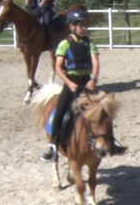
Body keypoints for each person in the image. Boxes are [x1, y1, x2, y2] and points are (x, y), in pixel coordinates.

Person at [41, 8, 126, 161]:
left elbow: (95, 61)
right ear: (72, 26)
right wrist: (69, 83)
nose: (85, 28)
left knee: (104, 112)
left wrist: (93, 79)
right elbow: (58, 67)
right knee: (60, 113)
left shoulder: (90, 44)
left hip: (87, 85)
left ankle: (112, 143)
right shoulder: (64, 44)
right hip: (70, 85)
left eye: (86, 25)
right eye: (82, 25)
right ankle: (53, 146)